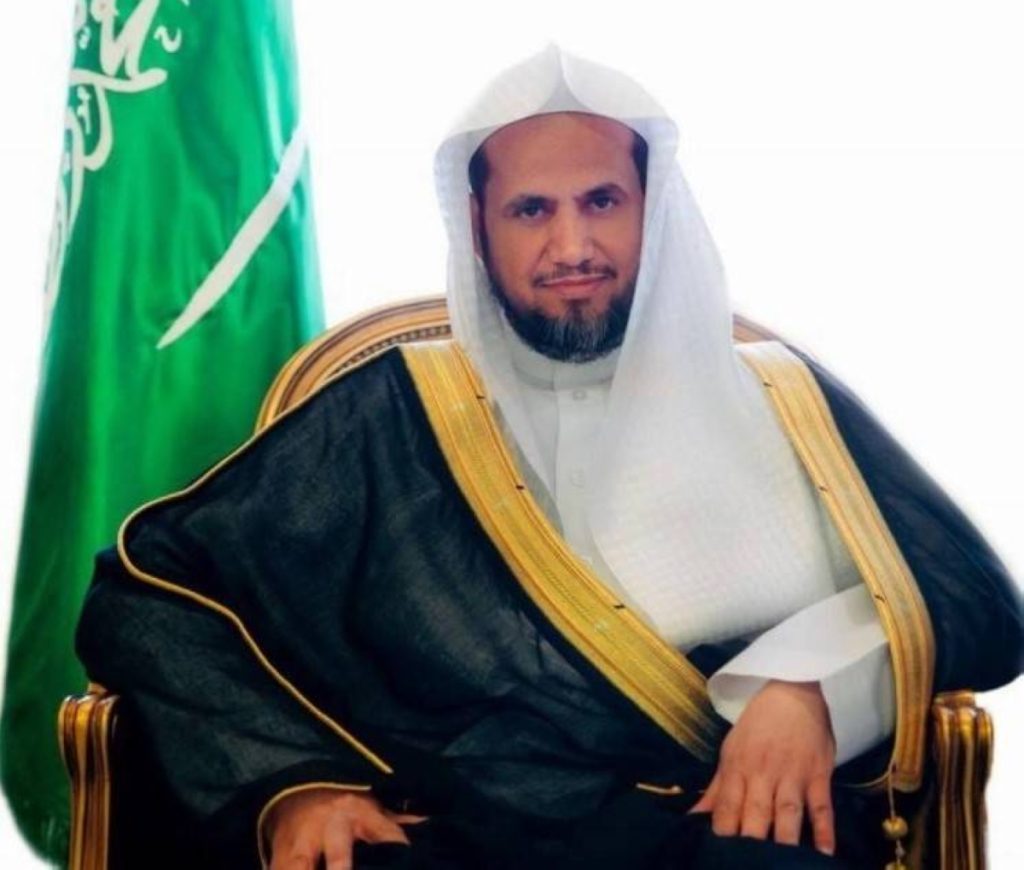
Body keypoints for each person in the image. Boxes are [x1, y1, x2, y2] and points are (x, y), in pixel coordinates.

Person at [75, 46, 1022, 869]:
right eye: (531, 210)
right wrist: (293, 783)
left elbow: (967, 595)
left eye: (602, 201)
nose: (573, 246)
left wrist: (809, 687)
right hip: (448, 829)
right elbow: (150, 591)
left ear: (654, 208)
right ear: (478, 227)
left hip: (714, 819)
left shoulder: (781, 398)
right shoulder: (388, 412)